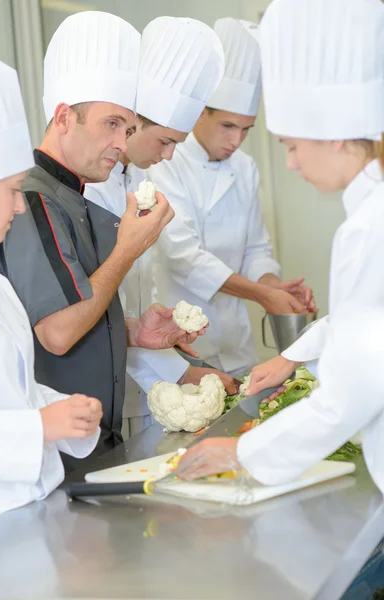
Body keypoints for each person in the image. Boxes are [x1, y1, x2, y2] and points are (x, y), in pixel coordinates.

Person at [175, 0, 384, 494]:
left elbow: (352, 390)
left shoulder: (367, 230)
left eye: (290, 145)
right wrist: (296, 354)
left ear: (332, 137)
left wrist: (246, 452)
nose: (289, 164)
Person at [0, 12, 205, 468]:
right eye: (111, 124)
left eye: (127, 129)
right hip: (54, 453)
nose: (121, 143)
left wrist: (132, 331)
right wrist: (128, 248)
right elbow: (58, 332)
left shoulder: (73, 199)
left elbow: (43, 318)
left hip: (86, 440)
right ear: (64, 117)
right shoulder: (36, 200)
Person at [86, 16, 235, 438]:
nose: (169, 156)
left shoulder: (133, 180)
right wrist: (180, 371)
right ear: (131, 124)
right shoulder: (91, 193)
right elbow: (92, 311)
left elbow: (133, 302)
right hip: (111, 393)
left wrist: (174, 349)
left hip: (147, 384)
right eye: (165, 141)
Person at [149, 18, 315, 378]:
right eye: (228, 126)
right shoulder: (164, 161)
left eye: (246, 129)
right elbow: (183, 256)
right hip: (177, 347)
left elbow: (256, 249)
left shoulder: (245, 167)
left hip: (235, 344)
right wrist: (260, 295)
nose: (237, 140)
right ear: (199, 115)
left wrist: (274, 287)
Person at [0, 56, 103, 525]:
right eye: (13, 191)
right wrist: (38, 427)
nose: (19, 206)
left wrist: (64, 411)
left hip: (31, 507)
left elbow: (10, 393)